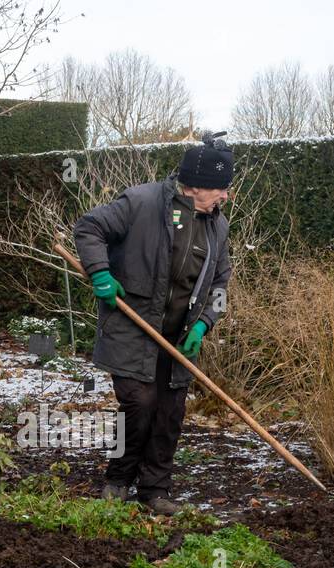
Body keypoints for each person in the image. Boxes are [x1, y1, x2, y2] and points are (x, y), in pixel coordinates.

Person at [72, 131, 233, 515]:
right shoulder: (142, 202)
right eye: (220, 189)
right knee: (139, 403)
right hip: (132, 327)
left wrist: (204, 324)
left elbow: (221, 283)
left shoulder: (217, 227)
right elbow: (89, 227)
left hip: (178, 337)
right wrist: (100, 274)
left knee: (170, 410)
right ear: (196, 186)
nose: (225, 197)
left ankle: (155, 490)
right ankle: (117, 480)